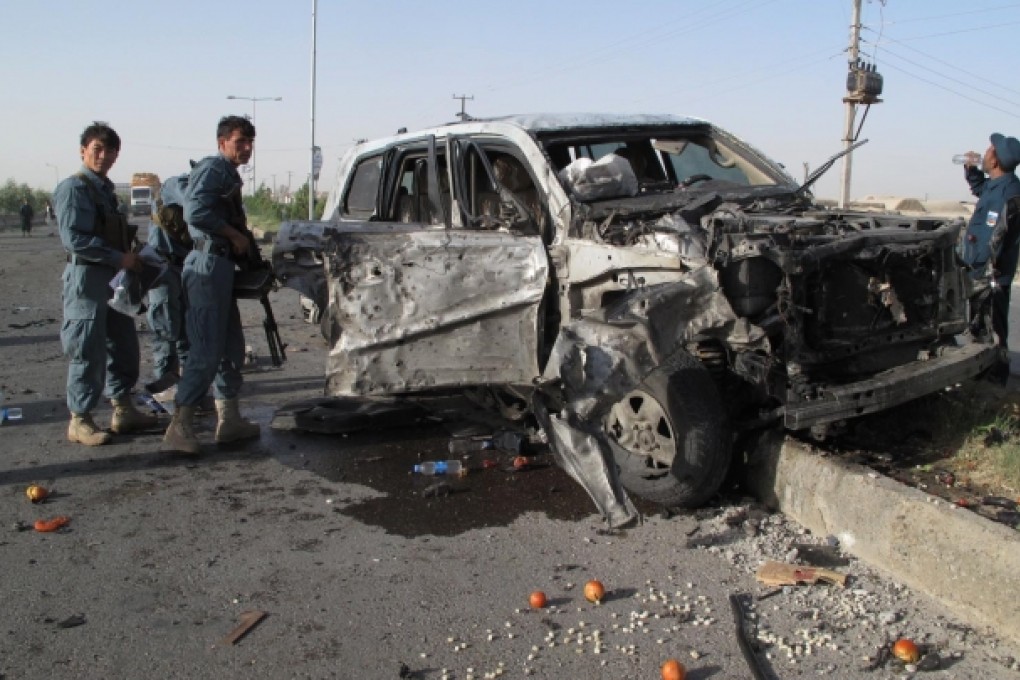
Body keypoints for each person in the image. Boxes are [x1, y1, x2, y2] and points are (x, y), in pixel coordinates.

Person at [53, 122, 157, 445]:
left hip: (113, 281)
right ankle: (80, 420)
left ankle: (122, 408)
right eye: (97, 149)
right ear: (83, 150)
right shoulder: (74, 189)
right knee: (87, 348)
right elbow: (74, 240)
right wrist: (118, 258)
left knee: (123, 344)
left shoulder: (105, 191)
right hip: (87, 280)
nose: (103, 155)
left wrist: (130, 256)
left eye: (109, 150)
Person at [163, 115, 260, 454]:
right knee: (205, 348)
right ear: (222, 143)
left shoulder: (226, 174)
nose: (246, 148)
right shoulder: (214, 169)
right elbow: (195, 212)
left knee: (231, 345)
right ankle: (180, 425)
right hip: (207, 264)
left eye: (250, 142)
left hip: (220, 266)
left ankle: (229, 419)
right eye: (239, 142)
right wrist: (233, 233)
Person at [958, 132, 1020, 384]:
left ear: (995, 162)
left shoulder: (1008, 194)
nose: (984, 153)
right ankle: (982, 377)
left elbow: (995, 237)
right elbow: (981, 189)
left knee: (992, 327)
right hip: (980, 270)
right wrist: (971, 170)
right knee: (979, 326)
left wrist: (980, 271)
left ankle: (994, 380)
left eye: (989, 150)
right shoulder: (999, 185)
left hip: (989, 273)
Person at [144, 174, 192, 396]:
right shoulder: (177, 184)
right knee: (165, 332)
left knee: (186, 334)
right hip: (163, 266)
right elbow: (194, 203)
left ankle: (188, 392)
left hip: (183, 266)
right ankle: (165, 395)